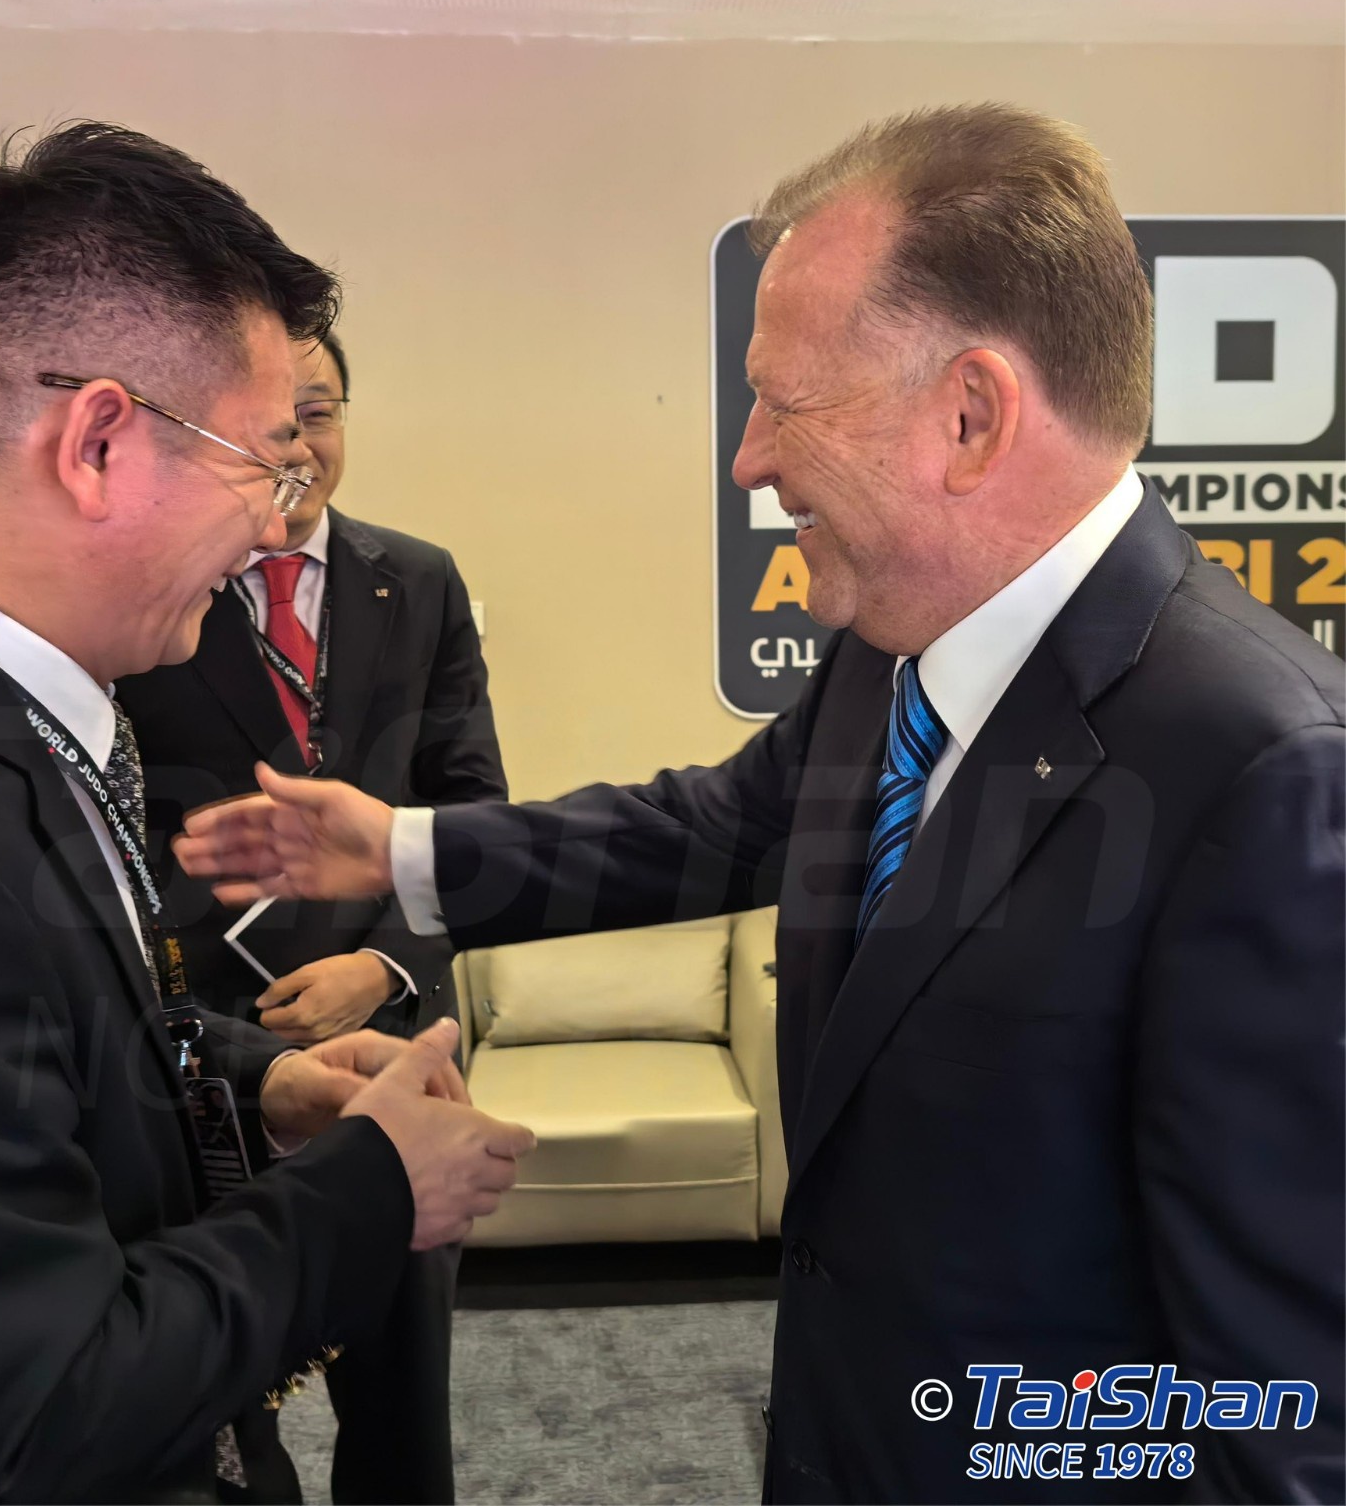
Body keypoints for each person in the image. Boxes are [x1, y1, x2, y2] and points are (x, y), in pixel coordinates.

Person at [176, 104, 1346, 1504]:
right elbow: (713, 828)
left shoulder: (1269, 769)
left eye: (785, 403)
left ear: (970, 415)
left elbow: (1286, 1411)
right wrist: (400, 848)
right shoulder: (889, 649)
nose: (748, 459)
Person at [0, 122, 533, 1505]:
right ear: (100, 443)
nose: (277, 525)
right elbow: (32, 1419)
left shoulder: (21, 713)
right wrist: (373, 1187)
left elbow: (70, 1028)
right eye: (262, 464)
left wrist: (258, 1082)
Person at [117, 329, 506, 1503]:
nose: (296, 447)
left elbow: (469, 811)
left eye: (318, 414)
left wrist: (384, 968)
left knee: (401, 1387)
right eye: (270, 422)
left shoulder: (420, 580)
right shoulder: (157, 590)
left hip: (396, 1034)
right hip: (214, 1040)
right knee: (229, 1380)